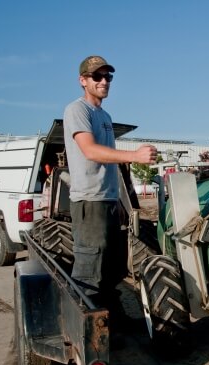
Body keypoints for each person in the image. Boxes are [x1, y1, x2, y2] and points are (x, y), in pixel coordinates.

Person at [63, 55, 157, 319]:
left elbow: (107, 155)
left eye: (108, 77)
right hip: (90, 201)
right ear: (83, 81)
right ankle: (88, 334)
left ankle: (112, 319)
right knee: (89, 271)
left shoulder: (104, 115)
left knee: (113, 267)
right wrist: (134, 156)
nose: (104, 81)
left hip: (108, 199)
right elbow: (90, 151)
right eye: (97, 76)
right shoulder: (77, 110)